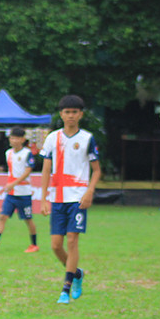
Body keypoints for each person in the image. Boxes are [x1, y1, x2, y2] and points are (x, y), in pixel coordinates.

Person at [40, 95, 101, 304]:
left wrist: (89, 192)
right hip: (58, 197)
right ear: (61, 114)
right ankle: (77, 273)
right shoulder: (52, 138)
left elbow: (96, 170)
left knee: (73, 240)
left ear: (81, 114)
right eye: (67, 112)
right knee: (56, 246)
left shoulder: (87, 138)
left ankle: (65, 289)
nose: (71, 116)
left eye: (75, 112)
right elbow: (46, 169)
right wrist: (43, 199)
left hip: (78, 198)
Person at [0, 127, 39, 253]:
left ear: (23, 139)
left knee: (28, 219)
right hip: (11, 193)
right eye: (12, 138)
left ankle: (34, 244)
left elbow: (27, 171)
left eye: (16, 138)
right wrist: (10, 185)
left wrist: (13, 184)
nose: (13, 140)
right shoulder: (8, 153)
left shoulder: (27, 153)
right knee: (3, 216)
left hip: (24, 193)